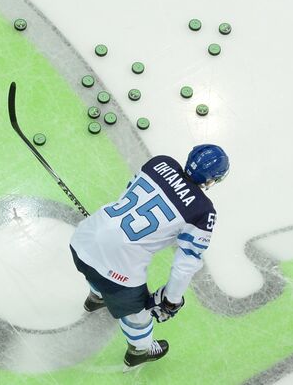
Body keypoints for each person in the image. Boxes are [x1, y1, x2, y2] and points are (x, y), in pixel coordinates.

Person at [69, 144, 229, 368]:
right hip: (118, 267)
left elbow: (128, 193)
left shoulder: (160, 163)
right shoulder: (203, 211)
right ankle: (140, 351)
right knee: (138, 314)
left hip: (83, 237)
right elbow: (185, 265)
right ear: (213, 179)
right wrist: (171, 300)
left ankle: (97, 298)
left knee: (95, 266)